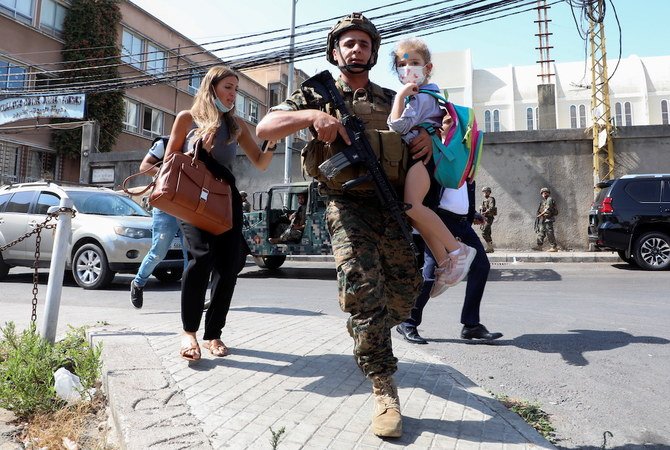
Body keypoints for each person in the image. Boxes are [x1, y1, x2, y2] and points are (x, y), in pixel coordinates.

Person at [256, 12, 430, 439]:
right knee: (362, 286)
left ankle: (366, 329)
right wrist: (312, 117)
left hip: (391, 206)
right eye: (348, 44)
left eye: (364, 44)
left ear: (372, 53)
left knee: (406, 290)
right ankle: (384, 387)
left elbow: (419, 138)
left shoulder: (394, 98)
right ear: (335, 52)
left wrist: (426, 138)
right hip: (345, 203)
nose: (356, 49)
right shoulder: (316, 94)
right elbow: (265, 126)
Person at [164, 65, 275, 362]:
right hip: (192, 199)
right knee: (201, 259)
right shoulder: (188, 119)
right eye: (228, 87)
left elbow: (261, 162)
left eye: (236, 89)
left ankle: (214, 333)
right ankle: (189, 332)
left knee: (229, 267)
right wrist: (197, 149)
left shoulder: (236, 125)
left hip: (224, 199)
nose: (233, 94)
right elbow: (170, 160)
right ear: (211, 87)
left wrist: (274, 139)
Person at [387, 37, 476, 298]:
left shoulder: (422, 95)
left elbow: (398, 126)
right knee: (415, 213)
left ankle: (457, 251)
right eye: (402, 65)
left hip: (422, 160)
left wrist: (400, 97)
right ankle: (445, 262)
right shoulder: (428, 93)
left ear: (428, 67)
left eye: (414, 62)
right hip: (425, 160)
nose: (408, 68)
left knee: (413, 206)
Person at [396, 178, 503, 345]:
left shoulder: (468, 165)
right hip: (440, 220)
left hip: (462, 223)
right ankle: (408, 322)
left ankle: (471, 325)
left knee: (481, 266)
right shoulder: (441, 158)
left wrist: (471, 213)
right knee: (431, 274)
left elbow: (459, 197)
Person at [129, 136, 188, 309]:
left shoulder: (198, 142)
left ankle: (190, 295)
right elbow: (145, 166)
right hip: (165, 205)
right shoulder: (164, 143)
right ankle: (138, 283)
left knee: (190, 253)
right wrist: (170, 174)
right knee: (158, 252)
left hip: (187, 206)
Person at [534, 187, 558, 252]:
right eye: (543, 193)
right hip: (544, 219)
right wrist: (539, 215)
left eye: (545, 192)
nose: (544, 194)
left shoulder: (549, 199)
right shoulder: (543, 201)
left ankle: (554, 247)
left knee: (549, 232)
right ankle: (539, 246)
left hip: (549, 219)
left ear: (548, 193)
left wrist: (540, 215)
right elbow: (540, 209)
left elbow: (547, 209)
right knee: (541, 232)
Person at [479, 186, 496, 253]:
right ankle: (490, 248)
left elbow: (491, 207)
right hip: (485, 218)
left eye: (486, 192)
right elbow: (482, 208)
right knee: (488, 233)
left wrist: (485, 211)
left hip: (489, 218)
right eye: (484, 192)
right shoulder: (484, 200)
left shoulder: (491, 199)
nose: (485, 193)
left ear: (489, 192)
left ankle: (490, 247)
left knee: (484, 233)